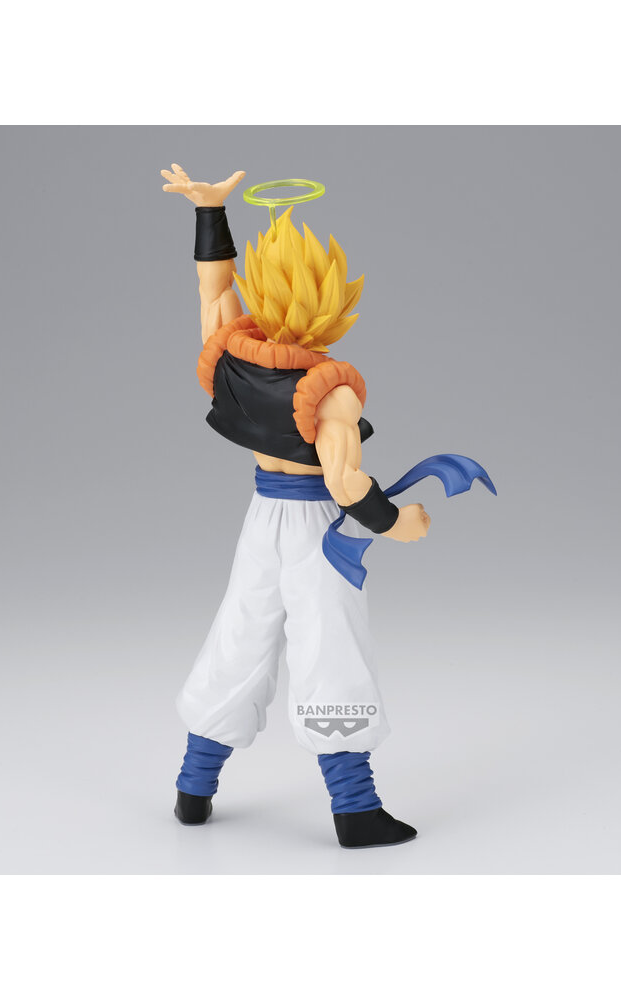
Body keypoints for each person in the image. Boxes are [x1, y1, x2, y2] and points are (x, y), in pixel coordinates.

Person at [161, 164, 446, 849]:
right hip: (320, 526)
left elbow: (214, 288)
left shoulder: (233, 355)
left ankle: (193, 789)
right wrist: (399, 524)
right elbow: (346, 483)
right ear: (332, 304)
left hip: (262, 519)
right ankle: (355, 809)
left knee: (239, 637)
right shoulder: (332, 390)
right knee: (330, 650)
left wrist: (210, 212)